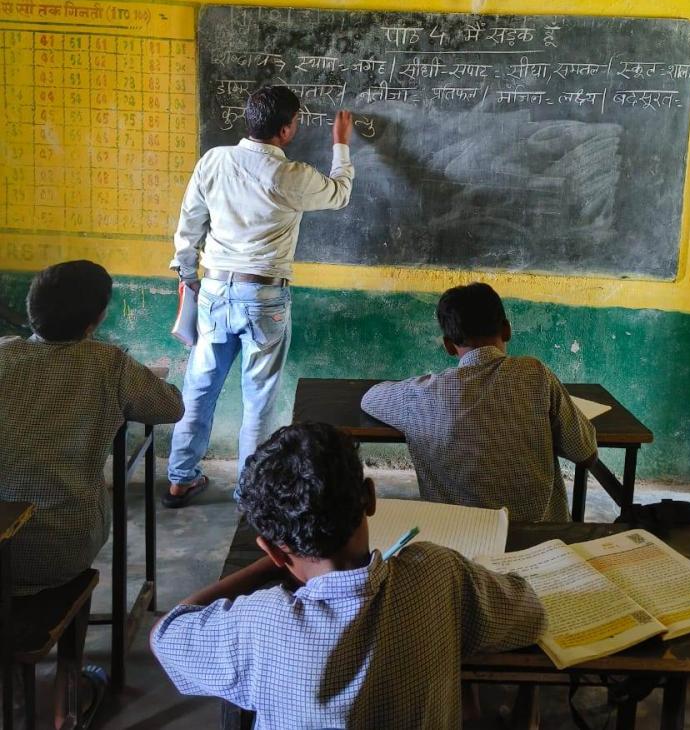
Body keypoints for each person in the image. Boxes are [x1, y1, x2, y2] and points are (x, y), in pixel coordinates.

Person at [152, 422, 545, 729]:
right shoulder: (440, 574)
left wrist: (267, 566)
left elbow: (166, 633)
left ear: (272, 550)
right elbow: (530, 613)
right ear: (370, 498)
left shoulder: (259, 623)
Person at [0, 260, 183, 727]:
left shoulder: (3, 355)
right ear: (95, 320)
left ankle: (17, 689)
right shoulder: (108, 363)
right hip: (60, 547)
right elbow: (170, 407)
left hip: (1, 543)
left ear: (32, 309)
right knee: (77, 526)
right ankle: (70, 691)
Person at [164, 85, 354, 507]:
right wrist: (340, 145)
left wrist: (189, 277)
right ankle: (249, 492)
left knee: (199, 389)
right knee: (259, 399)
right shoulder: (290, 176)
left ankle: (179, 479)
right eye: (296, 122)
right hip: (264, 297)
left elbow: (189, 225)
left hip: (214, 290)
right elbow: (340, 193)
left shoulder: (213, 161)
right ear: (285, 130)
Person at [361, 282, 598, 522]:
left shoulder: (423, 394)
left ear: (448, 345)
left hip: (460, 538)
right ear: (507, 330)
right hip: (541, 538)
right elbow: (586, 453)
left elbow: (370, 398)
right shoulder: (536, 374)